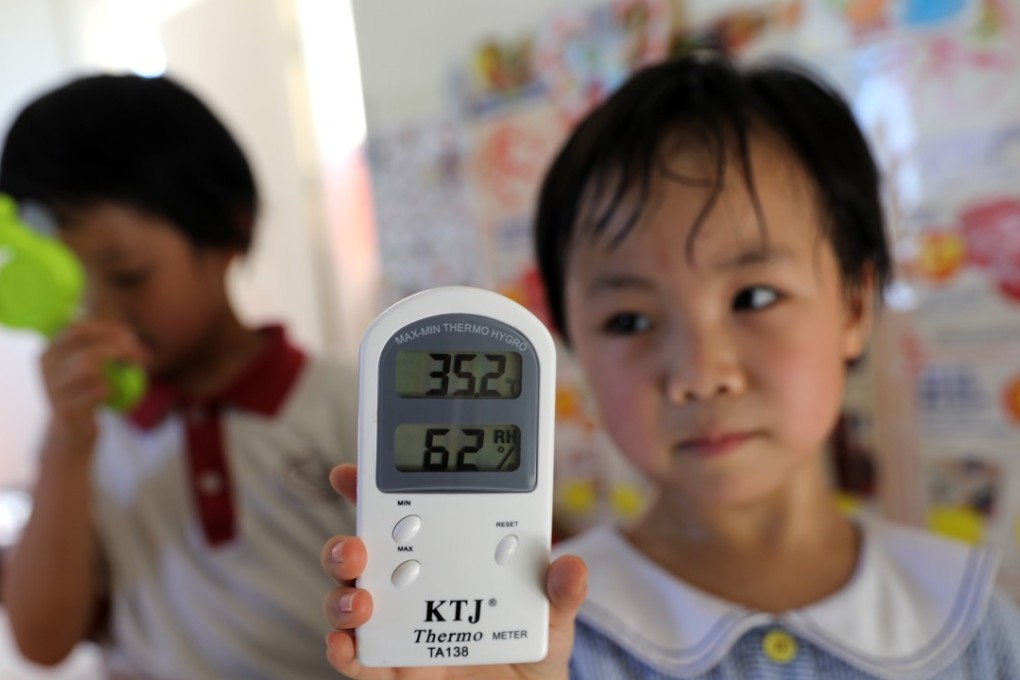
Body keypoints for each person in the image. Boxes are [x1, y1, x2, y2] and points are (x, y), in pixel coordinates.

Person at [319, 49, 1020, 679]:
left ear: (855, 306)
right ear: (570, 343)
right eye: (629, 320)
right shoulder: (532, 640)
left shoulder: (971, 621)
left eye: (754, 297)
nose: (699, 373)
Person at [0, 74, 357, 679]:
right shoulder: (84, 438)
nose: (100, 312)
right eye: (70, 286)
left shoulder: (349, 406)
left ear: (232, 231)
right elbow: (41, 640)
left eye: (129, 275)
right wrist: (64, 447)